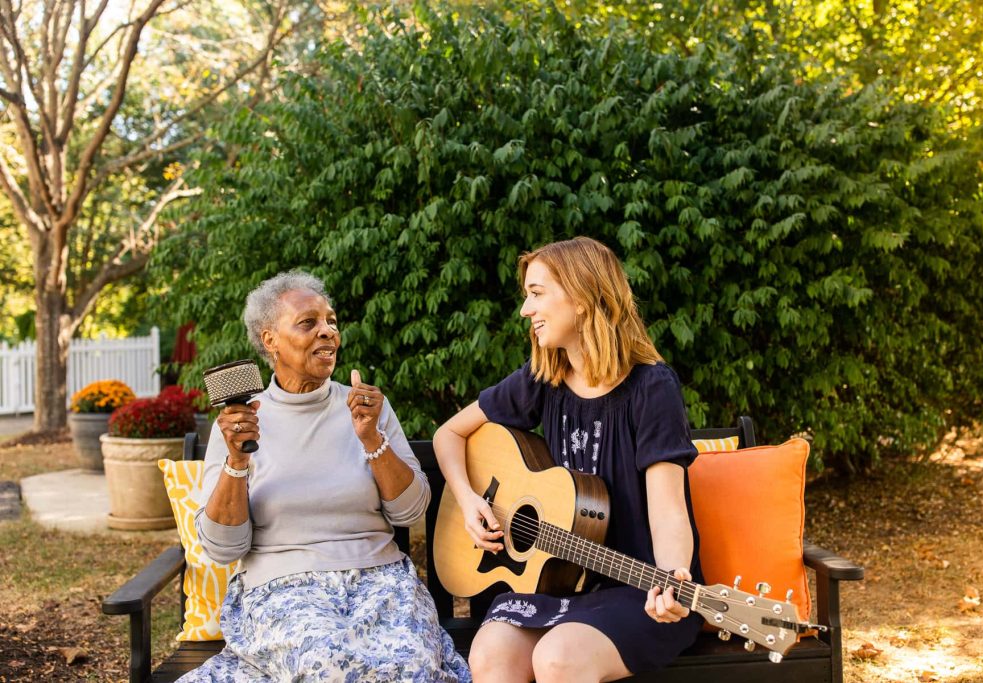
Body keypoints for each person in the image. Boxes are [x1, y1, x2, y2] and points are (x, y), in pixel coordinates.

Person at [434, 236, 703, 682]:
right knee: (490, 653)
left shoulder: (652, 388)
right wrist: (468, 501)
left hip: (640, 587)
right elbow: (449, 434)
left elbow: (669, 510)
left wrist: (671, 577)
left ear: (581, 297)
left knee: (559, 657)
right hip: (559, 582)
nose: (525, 310)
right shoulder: (544, 379)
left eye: (537, 294)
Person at [180, 271, 470, 682]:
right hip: (282, 587)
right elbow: (223, 548)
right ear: (270, 340)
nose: (327, 332)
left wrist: (371, 437)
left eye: (331, 321)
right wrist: (236, 461)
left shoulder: (367, 408)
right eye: (308, 323)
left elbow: (410, 511)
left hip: (382, 581)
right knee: (326, 663)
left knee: (412, 666)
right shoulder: (238, 424)